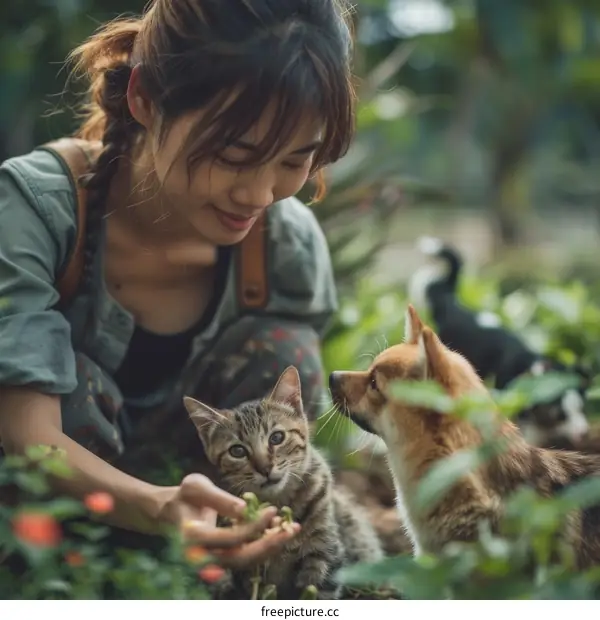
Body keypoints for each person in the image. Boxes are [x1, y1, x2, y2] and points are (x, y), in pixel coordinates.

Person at [0, 0, 355, 568]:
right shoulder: (37, 210)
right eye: (235, 156)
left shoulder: (285, 246)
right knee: (73, 389)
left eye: (294, 161)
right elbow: (24, 433)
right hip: (54, 504)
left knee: (285, 349)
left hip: (209, 492)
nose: (260, 195)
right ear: (144, 99)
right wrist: (156, 508)